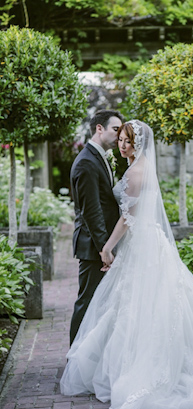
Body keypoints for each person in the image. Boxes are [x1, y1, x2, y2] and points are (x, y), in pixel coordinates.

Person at [60, 120, 193, 409]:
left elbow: (129, 218)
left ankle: (146, 369)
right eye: (121, 139)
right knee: (127, 305)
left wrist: (107, 247)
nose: (122, 145)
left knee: (141, 304)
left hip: (142, 246)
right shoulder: (135, 167)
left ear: (138, 144)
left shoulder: (137, 171)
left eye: (127, 141)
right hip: (141, 245)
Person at [69, 109, 124, 345]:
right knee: (87, 302)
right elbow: (91, 211)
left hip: (101, 245)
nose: (119, 135)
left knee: (99, 302)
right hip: (94, 247)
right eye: (115, 129)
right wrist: (105, 249)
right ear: (99, 128)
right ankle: (75, 357)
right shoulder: (87, 163)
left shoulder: (99, 157)